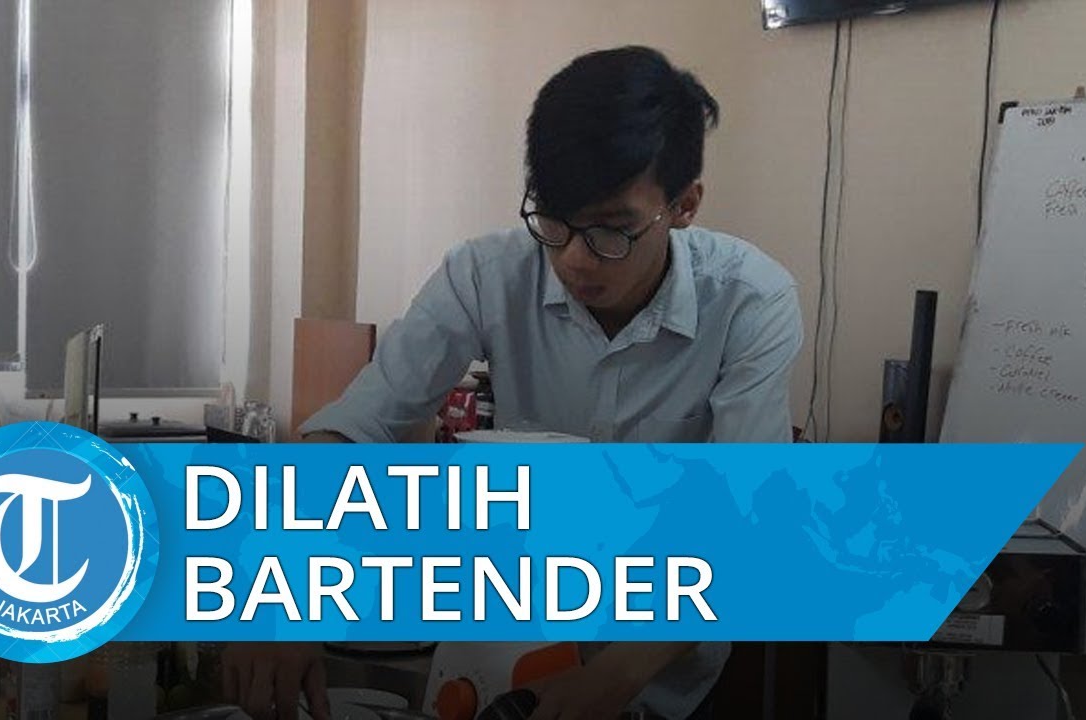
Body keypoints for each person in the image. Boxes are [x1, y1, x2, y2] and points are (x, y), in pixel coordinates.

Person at [226, 45, 803, 720]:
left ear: (684, 206)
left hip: (660, 673)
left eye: (612, 230)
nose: (575, 258)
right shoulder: (486, 274)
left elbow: (744, 520)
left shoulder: (749, 301)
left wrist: (612, 678)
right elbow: (359, 424)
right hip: (506, 649)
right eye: (553, 221)